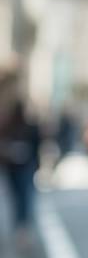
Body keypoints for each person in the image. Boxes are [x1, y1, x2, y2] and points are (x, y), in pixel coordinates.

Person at [0, 101, 42, 246]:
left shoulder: (28, 127)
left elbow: (37, 145)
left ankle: (21, 226)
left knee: (22, 196)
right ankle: (20, 226)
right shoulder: (8, 127)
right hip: (14, 166)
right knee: (20, 196)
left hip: (23, 166)